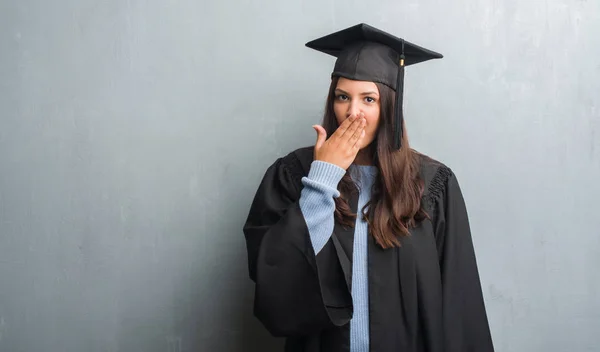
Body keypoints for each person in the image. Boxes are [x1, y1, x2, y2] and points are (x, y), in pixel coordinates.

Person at [242, 23, 494, 352]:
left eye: (369, 99)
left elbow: (459, 302)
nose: (352, 112)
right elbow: (275, 287)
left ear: (389, 106)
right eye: (342, 97)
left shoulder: (432, 184)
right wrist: (323, 177)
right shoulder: (293, 175)